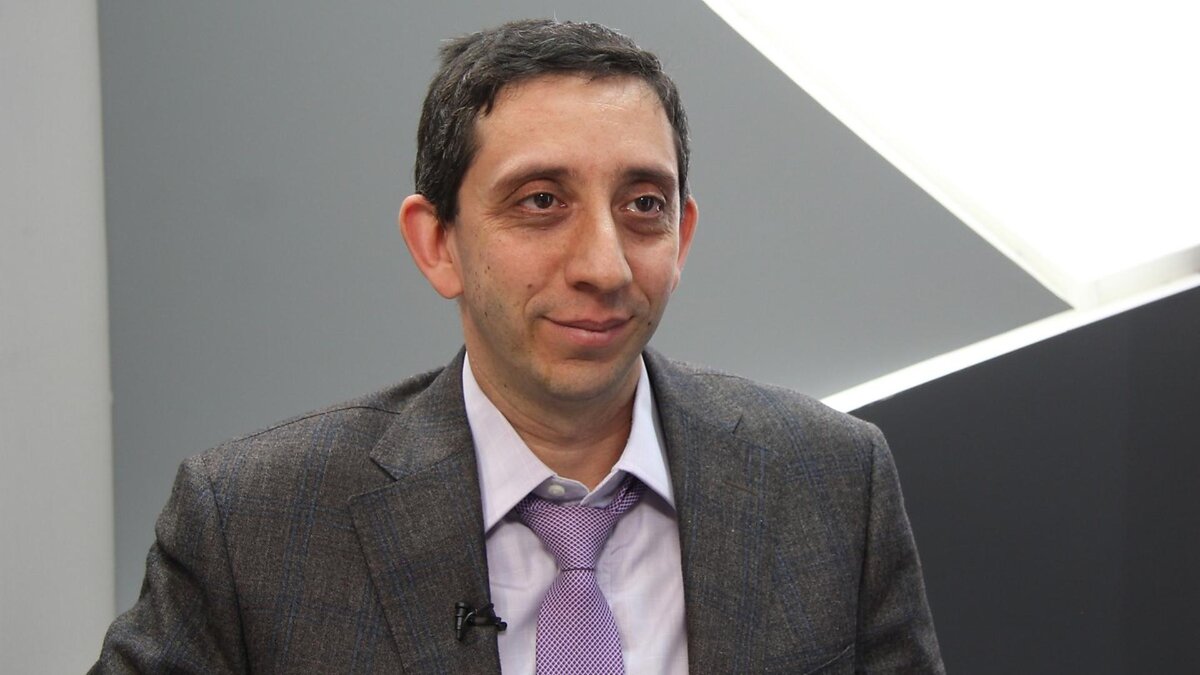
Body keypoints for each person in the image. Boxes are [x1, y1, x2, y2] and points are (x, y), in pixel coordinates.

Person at [93, 18, 943, 674]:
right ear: (438, 243)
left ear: (681, 236)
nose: (604, 266)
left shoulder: (833, 481)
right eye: (541, 201)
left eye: (642, 205)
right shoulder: (252, 525)